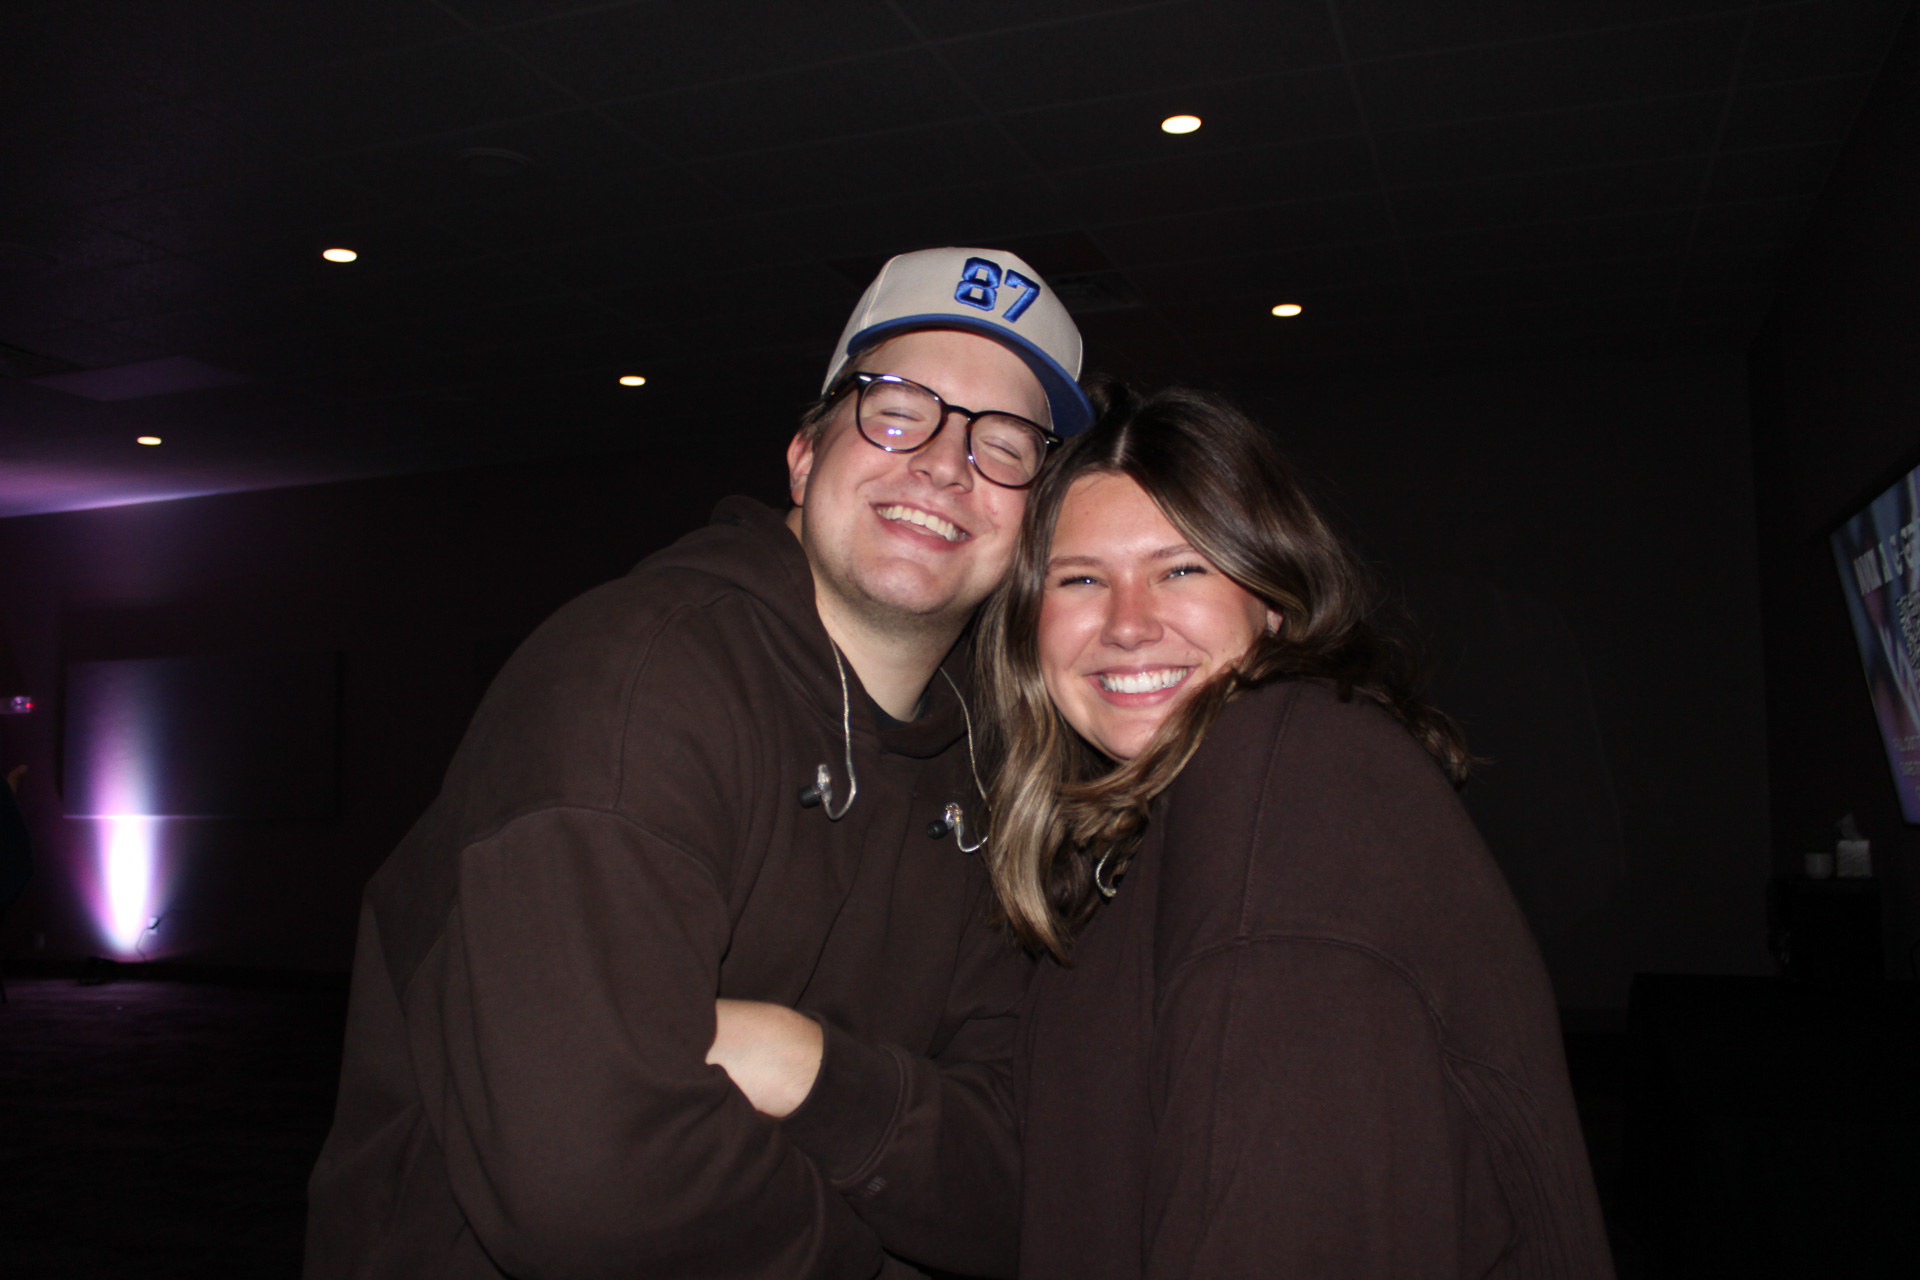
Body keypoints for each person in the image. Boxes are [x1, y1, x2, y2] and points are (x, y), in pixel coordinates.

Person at [304, 247, 1095, 1280]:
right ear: (805, 460)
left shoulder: (997, 776)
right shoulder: (634, 680)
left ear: (1032, 520)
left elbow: (1021, 1175)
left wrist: (804, 1066)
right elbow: (590, 1184)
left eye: (1004, 443)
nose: (946, 463)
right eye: (898, 408)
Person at [976, 384, 1614, 1278]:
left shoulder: (1288, 782)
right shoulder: (1143, 836)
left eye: (1183, 568)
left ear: (1273, 599)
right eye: (1080, 579)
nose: (1128, 624)